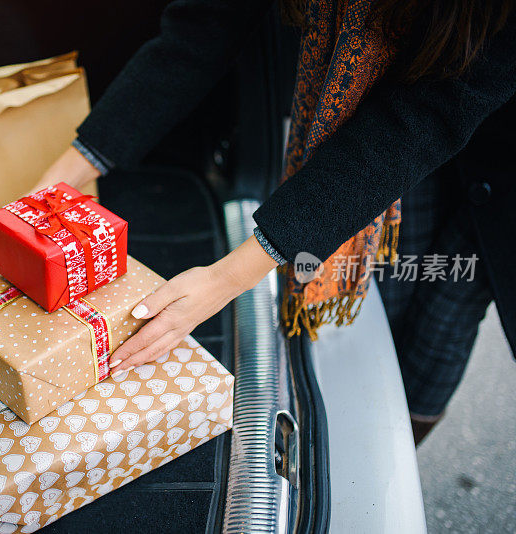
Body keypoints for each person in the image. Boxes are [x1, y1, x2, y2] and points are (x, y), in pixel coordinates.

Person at [32, 0, 516, 443]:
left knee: (451, 306)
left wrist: (226, 279)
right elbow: (202, 31)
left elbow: (424, 118)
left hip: (484, 135)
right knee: (385, 300)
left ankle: (401, 448)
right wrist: (65, 175)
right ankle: (379, 433)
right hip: (399, 124)